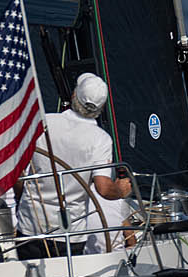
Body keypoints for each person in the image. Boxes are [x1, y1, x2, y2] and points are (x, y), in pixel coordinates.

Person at [15, 72, 135, 257]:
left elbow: (18, 170)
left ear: (73, 95)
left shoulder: (43, 122)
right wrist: (120, 190)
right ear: (101, 108)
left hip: (29, 224)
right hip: (70, 232)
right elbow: (103, 188)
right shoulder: (100, 139)